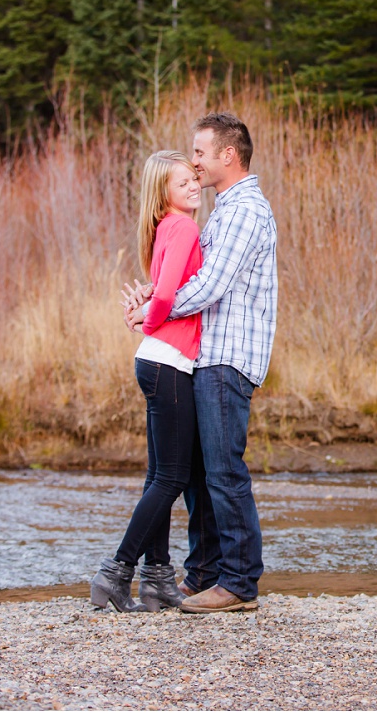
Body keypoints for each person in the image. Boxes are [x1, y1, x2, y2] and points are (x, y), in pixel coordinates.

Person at [125, 111, 277, 614]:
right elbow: (190, 274)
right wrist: (156, 293)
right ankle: (204, 574)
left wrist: (154, 309)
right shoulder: (223, 210)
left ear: (227, 155)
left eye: (199, 153)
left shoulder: (243, 211)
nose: (193, 162)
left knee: (223, 471)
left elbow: (210, 287)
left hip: (226, 358)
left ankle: (238, 583)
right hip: (202, 357)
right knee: (196, 475)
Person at [90, 150, 205, 613]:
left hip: (158, 362)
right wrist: (148, 318)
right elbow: (166, 297)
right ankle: (116, 573)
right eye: (182, 184)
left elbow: (160, 293)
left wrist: (147, 315)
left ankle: (157, 577)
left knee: (160, 476)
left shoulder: (165, 228)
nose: (194, 186)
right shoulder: (183, 227)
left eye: (193, 178)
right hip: (169, 363)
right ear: (164, 195)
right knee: (173, 477)